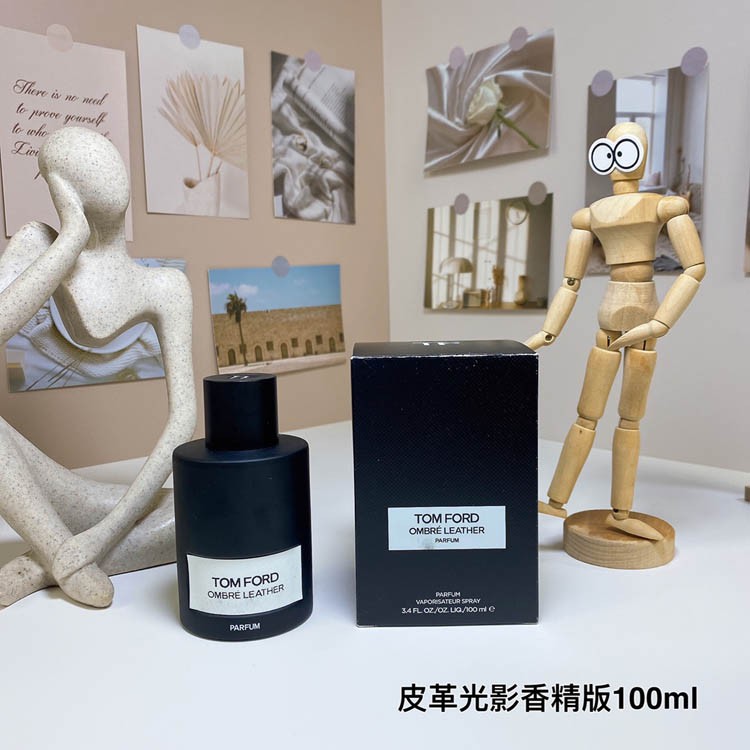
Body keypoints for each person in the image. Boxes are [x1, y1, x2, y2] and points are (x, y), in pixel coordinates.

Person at [0, 127, 196, 607]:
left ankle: (44, 564)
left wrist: (101, 535)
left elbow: (183, 420)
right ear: (59, 190)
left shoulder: (164, 286)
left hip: (93, 506)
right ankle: (56, 551)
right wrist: (71, 239)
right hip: (52, 485)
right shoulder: (39, 244)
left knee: (201, 510)